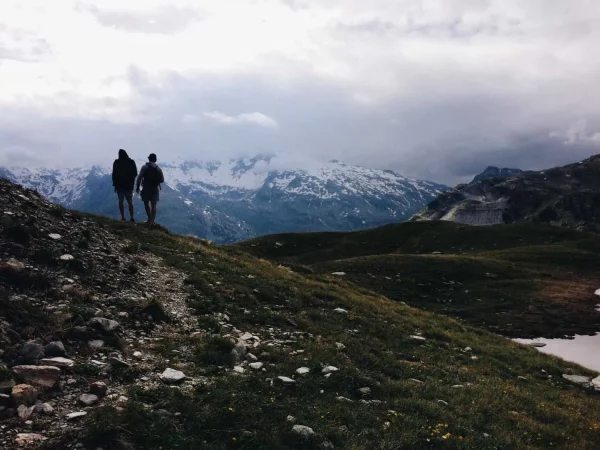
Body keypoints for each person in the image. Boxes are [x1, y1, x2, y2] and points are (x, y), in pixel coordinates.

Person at [136, 153, 164, 225]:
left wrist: (137, 187)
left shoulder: (145, 167)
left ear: (149, 159)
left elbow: (139, 178)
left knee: (146, 203)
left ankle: (149, 219)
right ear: (155, 160)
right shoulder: (158, 169)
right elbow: (162, 180)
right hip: (155, 188)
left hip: (146, 188)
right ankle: (152, 221)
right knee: (154, 205)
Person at [111, 149, 138, 222]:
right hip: (129, 185)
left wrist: (115, 183)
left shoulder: (116, 162)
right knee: (130, 202)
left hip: (119, 186)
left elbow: (114, 174)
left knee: (120, 201)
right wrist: (131, 179)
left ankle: (123, 217)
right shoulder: (131, 162)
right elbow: (135, 173)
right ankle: (132, 217)